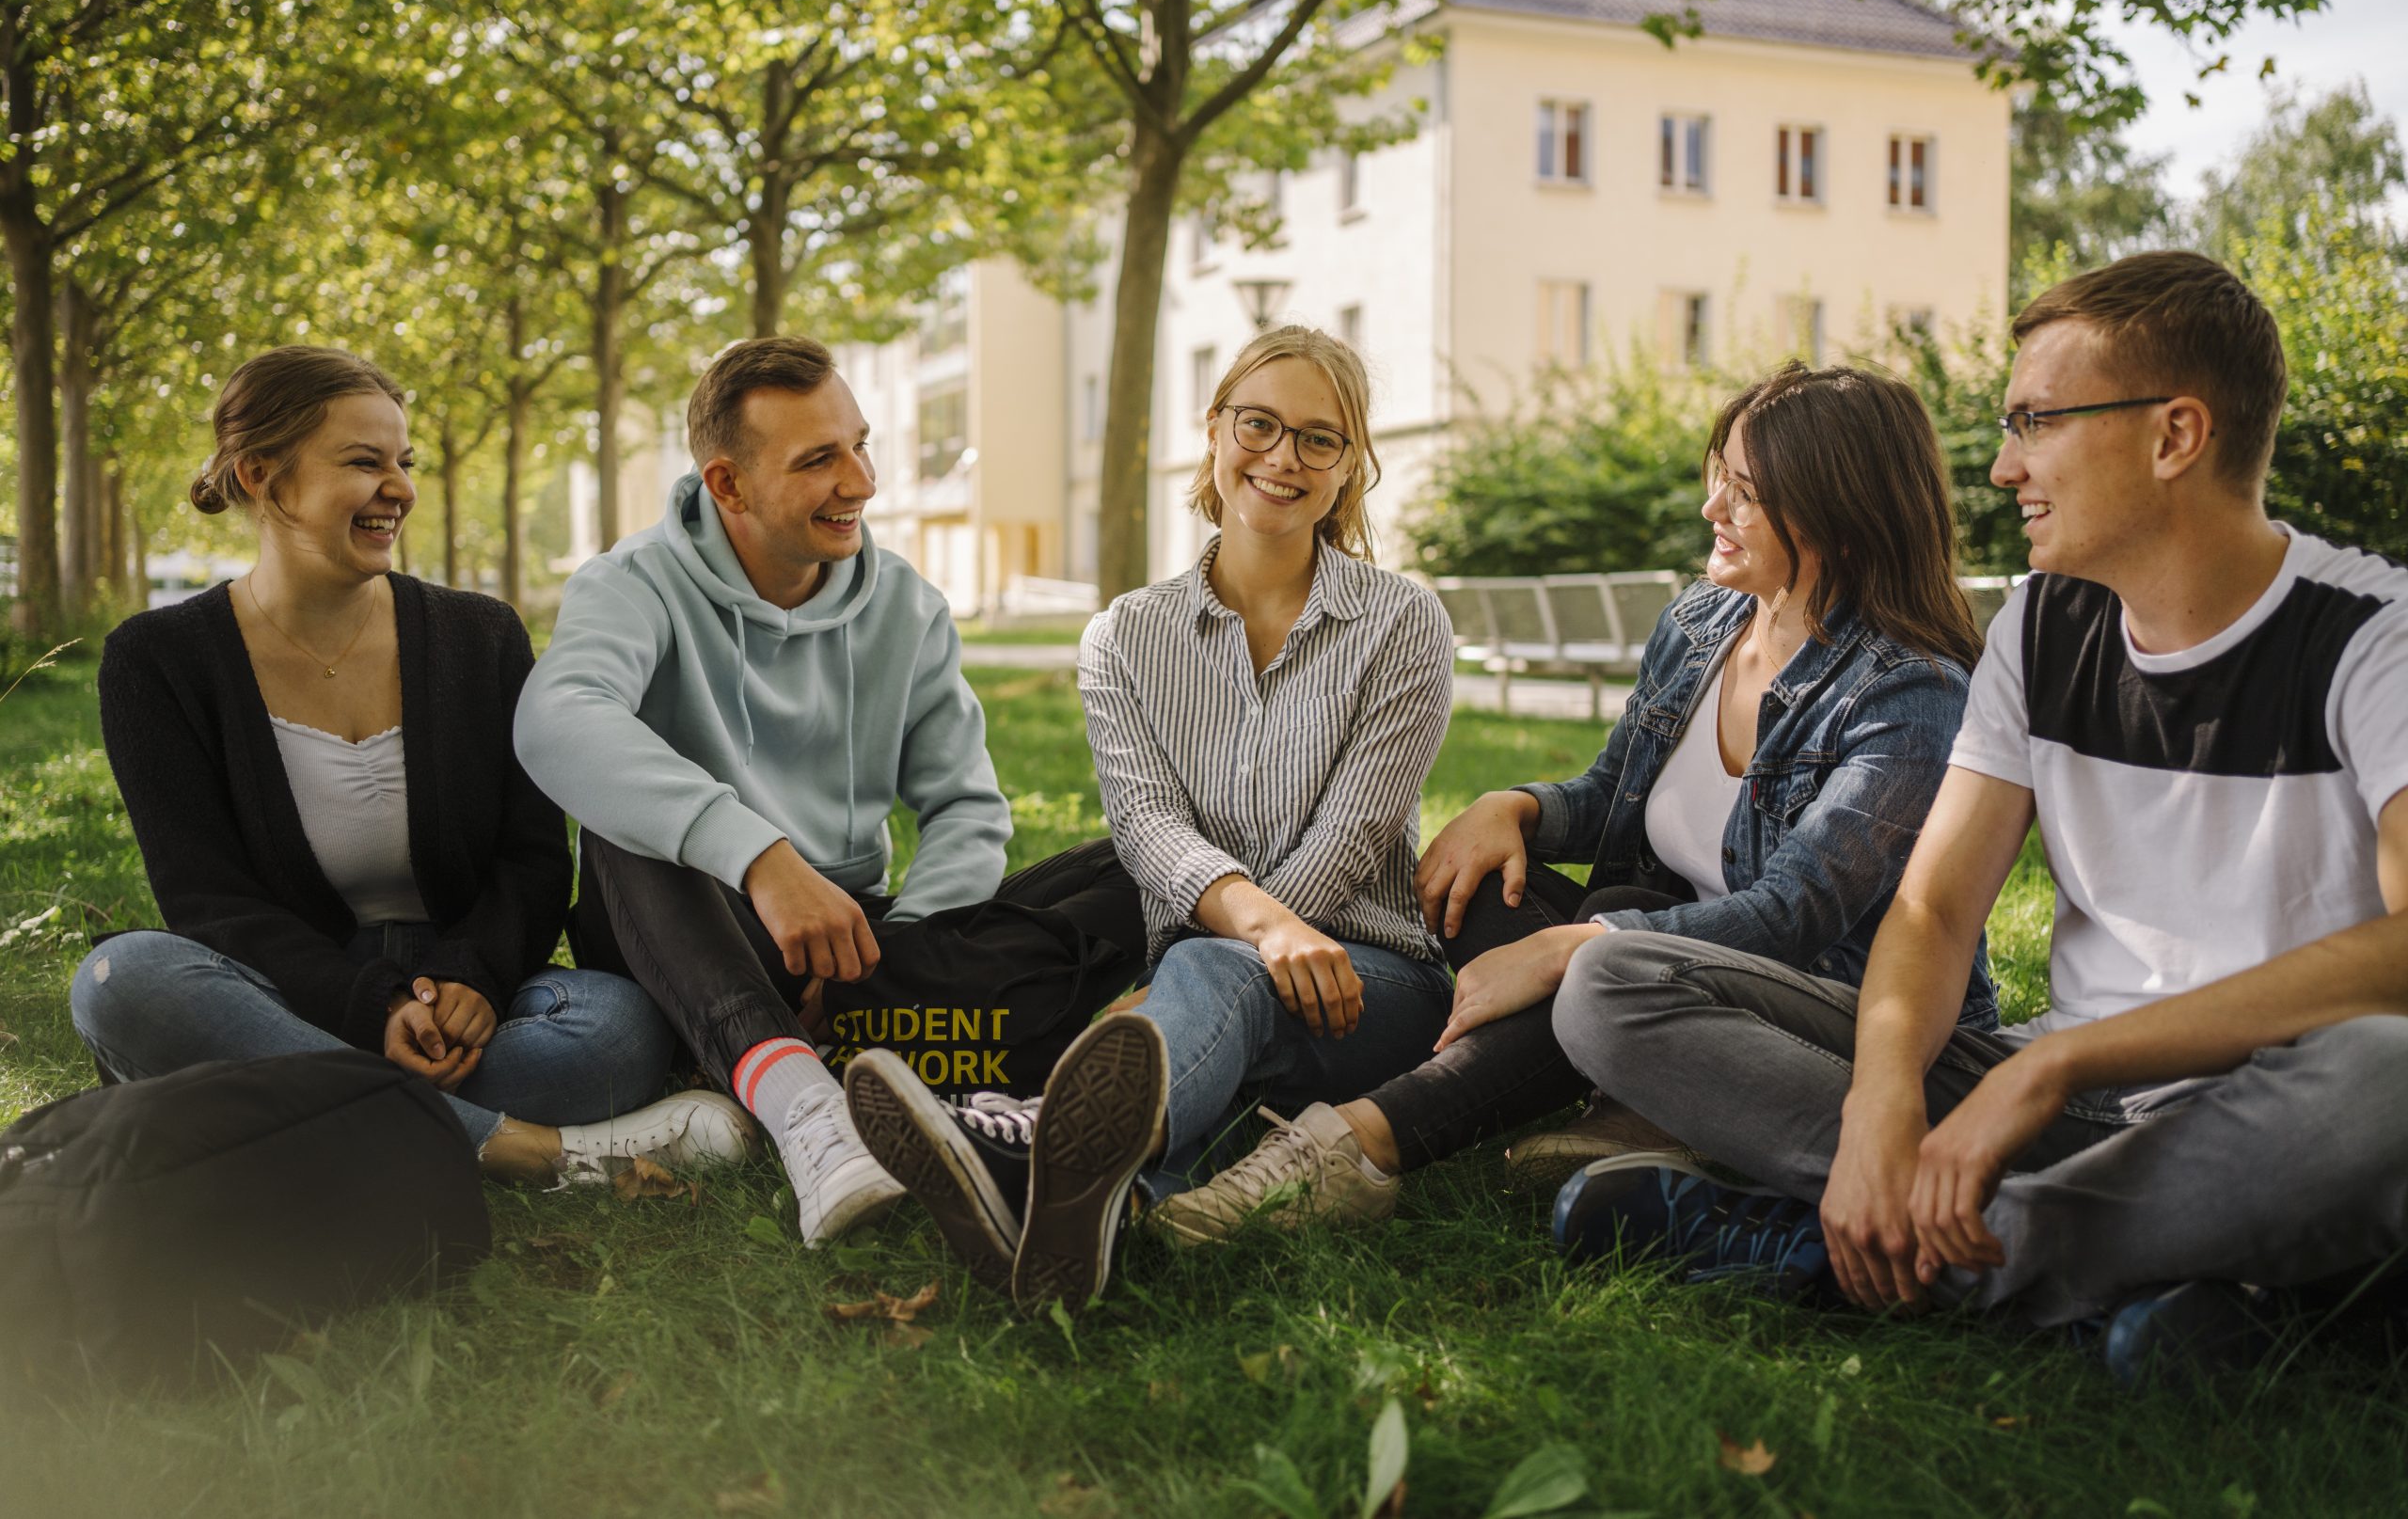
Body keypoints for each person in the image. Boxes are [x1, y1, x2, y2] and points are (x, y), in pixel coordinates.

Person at [1552, 251, 2408, 1385]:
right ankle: (2192, 1284)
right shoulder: (2041, 631)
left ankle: (1873, 1252)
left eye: (2036, 422)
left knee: (2387, 1077)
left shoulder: (2370, 636)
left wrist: (2046, 1069)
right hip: (2063, 1103)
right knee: (1614, 984)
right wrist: (1884, 1097)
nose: (2004, 468)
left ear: (2174, 436)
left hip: (2264, 1101)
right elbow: (1936, 904)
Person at [1162, 361, 1999, 1240]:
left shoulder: (1908, 692)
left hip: (1807, 1008)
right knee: (1482, 887)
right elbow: (1613, 798)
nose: (1713, 508)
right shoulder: (1703, 624)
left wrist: (1573, 947)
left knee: (1602, 946)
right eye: (1720, 475)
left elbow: (1795, 914)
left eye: (1746, 493)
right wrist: (1514, 807)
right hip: (1652, 952)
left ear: (1840, 511)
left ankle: (1353, 1149)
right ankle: (1634, 1107)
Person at [846, 324, 1457, 1309]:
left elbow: (1351, 834)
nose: (1282, 458)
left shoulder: (1402, 623)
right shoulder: (1125, 636)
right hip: (1201, 980)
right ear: (1212, 431)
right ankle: (1089, 1210)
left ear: (1351, 469)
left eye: (1318, 439)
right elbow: (1147, 830)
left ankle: (1031, 1134)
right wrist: (1250, 935)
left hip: (1373, 982)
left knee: (1210, 969)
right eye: (1258, 424)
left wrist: (1249, 937)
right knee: (1212, 986)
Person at [515, 336, 1144, 1248]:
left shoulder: (907, 607)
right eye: (819, 460)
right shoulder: (631, 585)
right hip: (694, 922)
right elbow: (556, 718)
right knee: (628, 834)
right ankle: (812, 1110)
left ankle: (861, 1035)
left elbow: (966, 810)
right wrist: (760, 858)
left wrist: (891, 949)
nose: (861, 480)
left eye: (859, 444)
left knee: (1143, 861)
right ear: (726, 484)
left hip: (859, 944)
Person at [71, 346, 752, 1186]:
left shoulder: (481, 636)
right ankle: (533, 1154)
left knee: (614, 1028)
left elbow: (534, 855)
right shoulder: (157, 660)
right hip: (285, 989)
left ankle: (277, 1107)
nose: (399, 487)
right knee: (121, 980)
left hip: (466, 999)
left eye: (405, 461)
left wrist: (474, 977)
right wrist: (372, 1006)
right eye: (364, 462)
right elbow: (205, 898)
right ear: (261, 476)